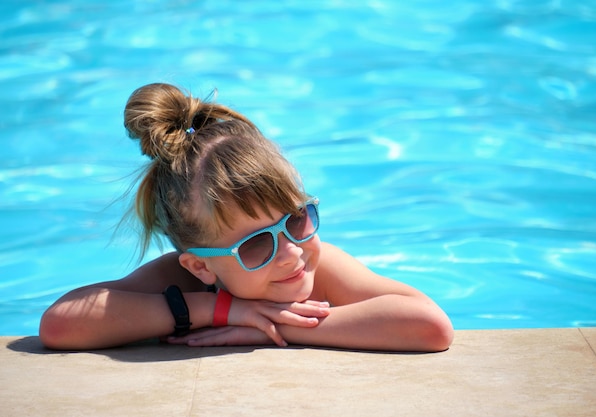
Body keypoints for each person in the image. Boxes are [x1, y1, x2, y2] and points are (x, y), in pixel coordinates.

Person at [39, 83, 453, 352]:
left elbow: (430, 325)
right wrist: (217, 311)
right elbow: (60, 325)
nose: (291, 253)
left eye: (296, 219)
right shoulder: (180, 280)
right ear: (201, 264)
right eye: (256, 244)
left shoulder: (322, 268)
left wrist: (278, 328)